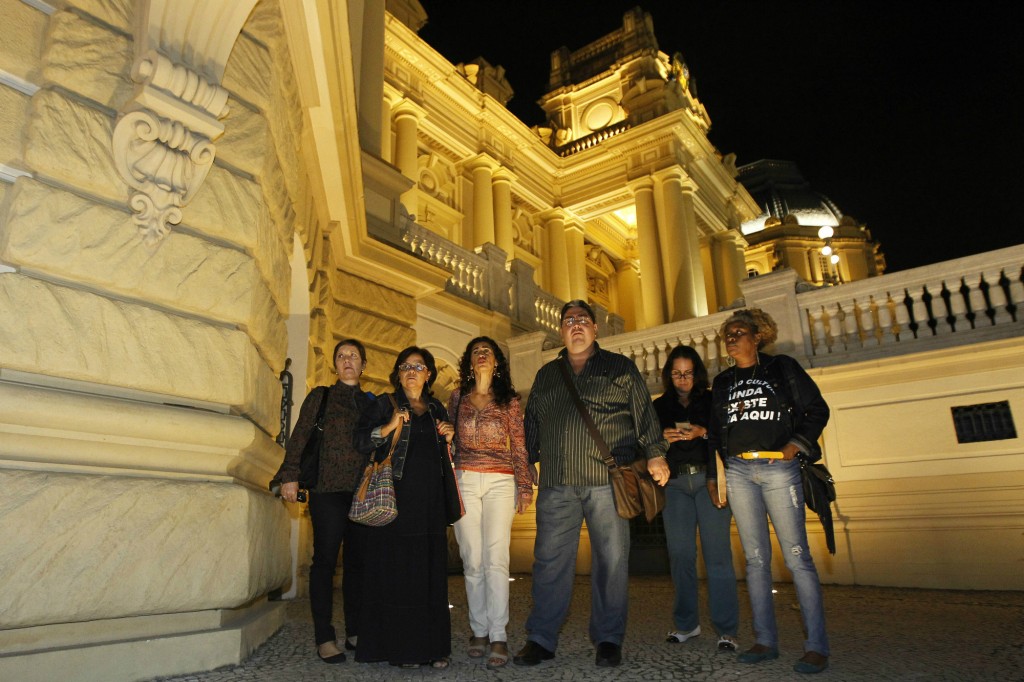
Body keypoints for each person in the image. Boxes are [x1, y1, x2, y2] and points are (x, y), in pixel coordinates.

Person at [514, 300, 669, 669]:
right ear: (562, 331)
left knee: (611, 563)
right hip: (557, 482)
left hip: (606, 482)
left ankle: (608, 639)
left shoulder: (620, 368)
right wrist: (527, 463)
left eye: (583, 320)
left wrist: (656, 452)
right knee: (550, 562)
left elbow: (643, 413)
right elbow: (531, 421)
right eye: (569, 321)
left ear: (595, 329)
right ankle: (541, 638)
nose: (576, 325)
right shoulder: (547, 375)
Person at [708, 308, 831, 675]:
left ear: (758, 335)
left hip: (779, 469)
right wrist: (718, 477)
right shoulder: (723, 381)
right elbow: (716, 431)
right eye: (727, 333)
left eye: (739, 331)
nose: (731, 337)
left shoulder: (782, 368)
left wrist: (794, 446)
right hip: (740, 471)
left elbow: (816, 409)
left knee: (797, 557)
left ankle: (816, 647)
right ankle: (765, 640)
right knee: (756, 560)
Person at [353, 346, 458, 669]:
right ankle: (402, 650)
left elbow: (445, 450)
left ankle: (433, 647)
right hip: (396, 501)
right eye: (406, 366)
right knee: (398, 576)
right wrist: (387, 427)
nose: (412, 371)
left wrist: (450, 434)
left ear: (429, 374)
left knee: (430, 575)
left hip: (430, 502)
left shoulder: (437, 407)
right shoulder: (385, 404)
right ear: (398, 374)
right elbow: (359, 440)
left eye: (419, 366)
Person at [274, 339, 373, 664]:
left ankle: (356, 631)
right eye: (342, 356)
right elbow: (301, 435)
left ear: (362, 366)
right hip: (327, 492)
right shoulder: (322, 396)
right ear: (335, 364)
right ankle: (324, 636)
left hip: (361, 494)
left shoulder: (372, 404)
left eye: (354, 356)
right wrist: (290, 474)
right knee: (325, 562)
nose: (347, 360)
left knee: (358, 565)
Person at [449, 337, 534, 669]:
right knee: (472, 559)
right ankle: (478, 630)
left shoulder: (509, 400)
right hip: (465, 480)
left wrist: (524, 487)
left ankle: (498, 634)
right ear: (470, 362)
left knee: (496, 559)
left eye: (488, 352)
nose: (482, 356)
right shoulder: (457, 398)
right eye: (476, 352)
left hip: (501, 481)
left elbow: (520, 445)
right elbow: (449, 441)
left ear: (496, 362)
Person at [653, 345, 740, 652]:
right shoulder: (661, 405)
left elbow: (727, 432)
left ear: (697, 373)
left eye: (688, 373)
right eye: (677, 373)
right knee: (680, 556)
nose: (683, 379)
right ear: (669, 375)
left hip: (709, 481)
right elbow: (647, 442)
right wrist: (662, 437)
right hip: (675, 484)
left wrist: (703, 432)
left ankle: (727, 629)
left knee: (718, 555)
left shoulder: (713, 398)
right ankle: (686, 624)